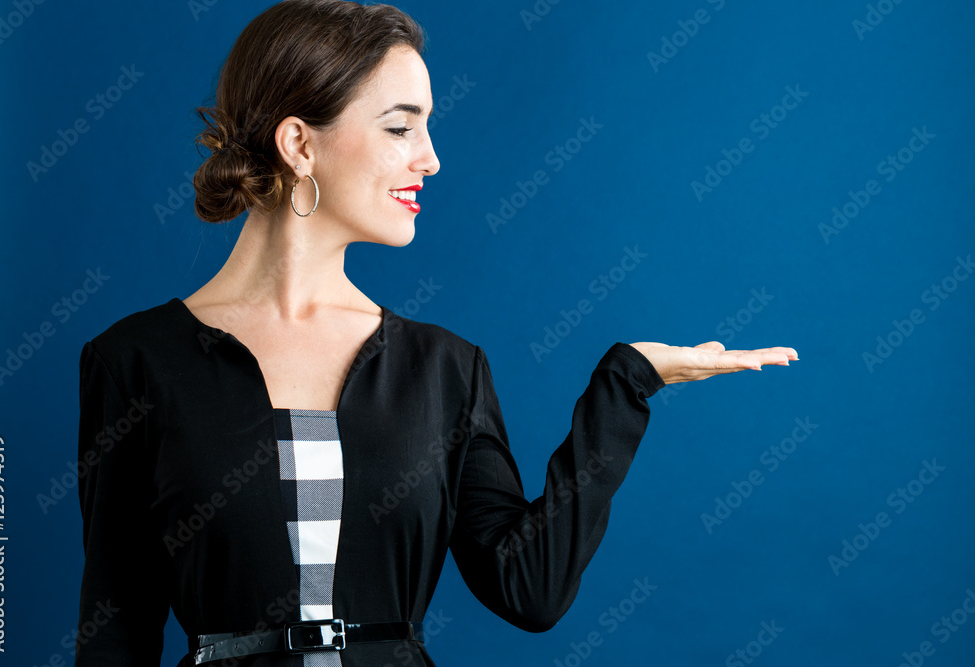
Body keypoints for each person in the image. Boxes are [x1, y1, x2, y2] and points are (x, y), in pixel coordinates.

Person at [74, 1, 797, 665]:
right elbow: (116, 630)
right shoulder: (135, 362)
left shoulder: (446, 368)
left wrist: (628, 384)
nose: (431, 156)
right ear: (299, 142)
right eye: (400, 126)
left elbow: (530, 588)